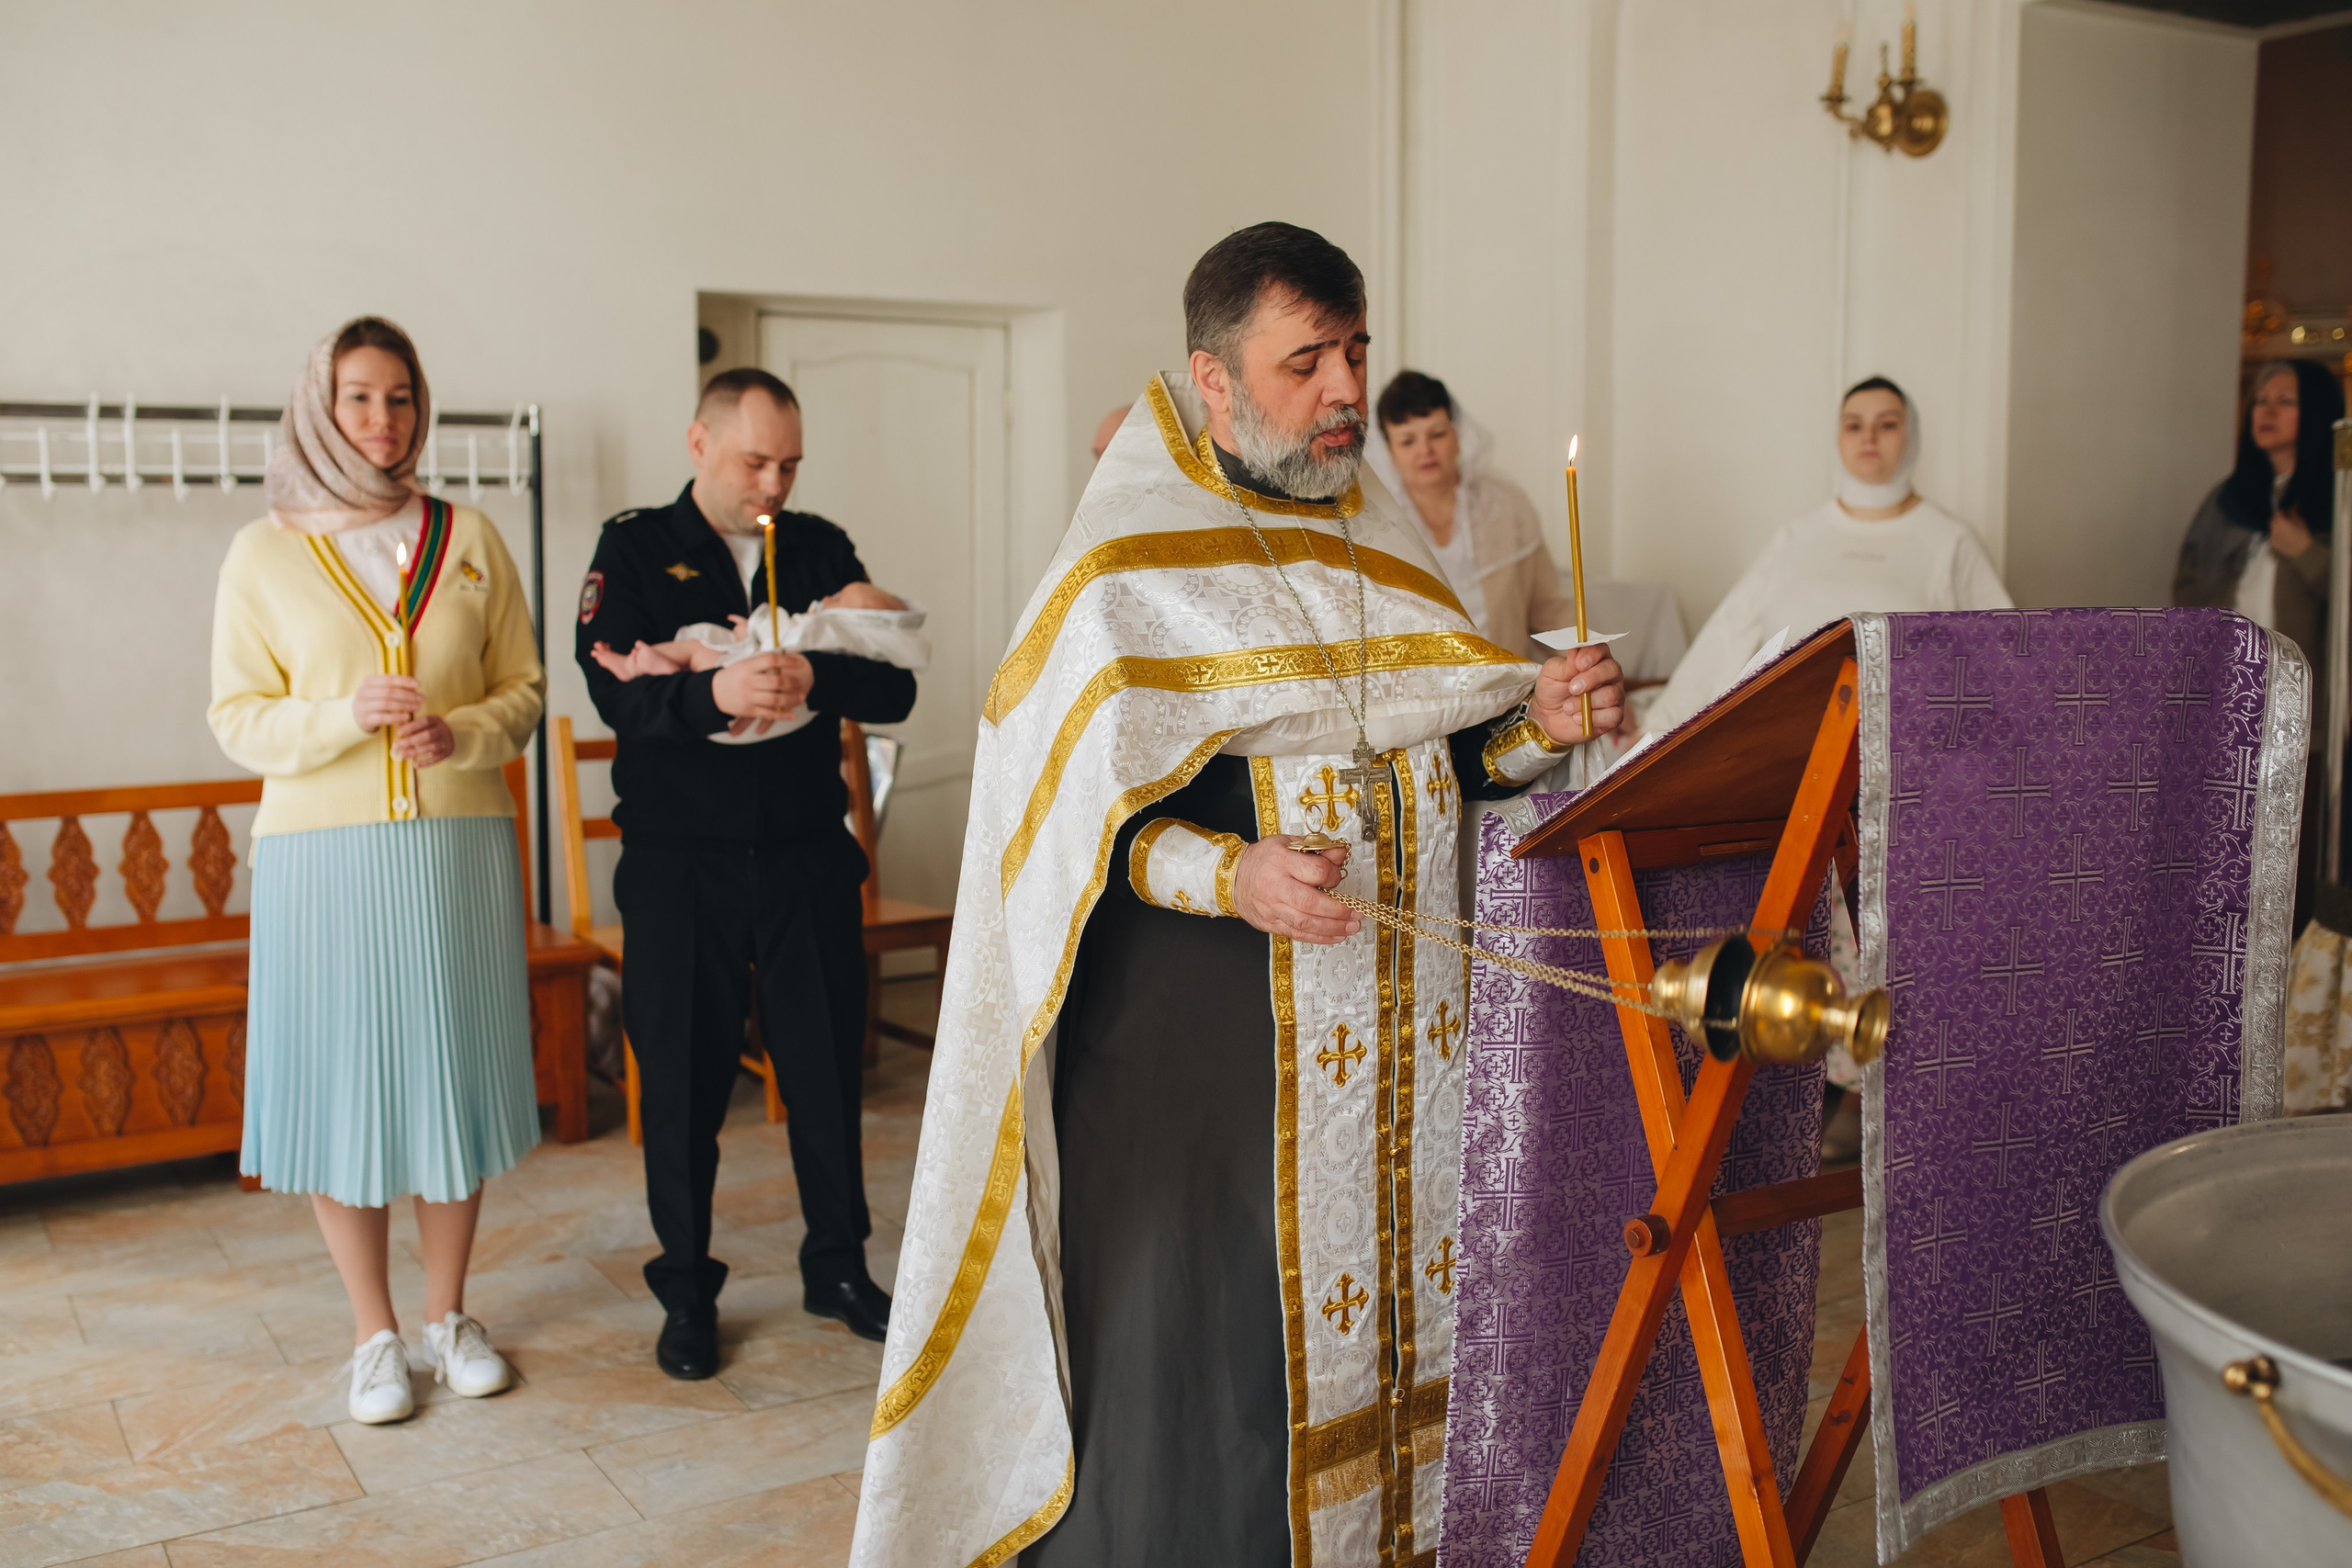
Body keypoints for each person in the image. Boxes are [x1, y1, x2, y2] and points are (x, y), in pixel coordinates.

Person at [849, 223, 1624, 1568]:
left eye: (1356, 352)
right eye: (1305, 361)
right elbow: (1064, 830)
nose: (1345, 390)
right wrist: (1231, 870)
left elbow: (1436, 756)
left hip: (1405, 1042)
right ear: (1211, 378)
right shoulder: (1118, 570)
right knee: (1217, 1362)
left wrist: (1537, 726)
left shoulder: (1379, 541)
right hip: (1205, 1052)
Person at [209, 317, 546, 1425]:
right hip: (320, 860)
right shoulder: (262, 552)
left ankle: (449, 1317)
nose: (382, 419)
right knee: (341, 1090)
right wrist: (340, 716)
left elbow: (524, 690)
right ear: (320, 405)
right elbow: (235, 716)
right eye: (358, 396)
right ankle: (374, 1335)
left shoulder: (469, 536)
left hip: (457, 848)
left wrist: (465, 734)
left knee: (452, 1079)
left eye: (399, 396)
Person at [575, 367, 915, 1380]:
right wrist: (712, 695)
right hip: (682, 863)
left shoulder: (817, 547)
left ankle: (838, 1267)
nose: (773, 483)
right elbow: (615, 695)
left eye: (790, 464)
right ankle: (685, 1287)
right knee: (682, 1085)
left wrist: (813, 671)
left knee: (825, 1071)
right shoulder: (635, 547)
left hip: (807, 852)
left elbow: (894, 680)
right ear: (699, 443)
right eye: (754, 461)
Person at [1642, 375, 2011, 739]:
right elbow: (1728, 632)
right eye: (1854, 426)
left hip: (1906, 741)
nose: (1869, 437)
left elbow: (2003, 653)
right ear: (1838, 438)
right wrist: (1657, 727)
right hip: (1786, 738)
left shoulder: (1951, 540)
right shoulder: (1796, 537)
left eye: (1887, 424)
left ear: (1911, 435)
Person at [2175, 358, 2349, 924]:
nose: (2265, 410)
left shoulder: (2340, 499)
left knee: (2289, 856)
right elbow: (2187, 584)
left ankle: (2288, 964)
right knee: (2224, 850)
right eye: (2260, 399)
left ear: (2316, 413)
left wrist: (2308, 554)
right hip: (2228, 703)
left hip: (2304, 712)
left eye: (2285, 400)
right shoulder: (2228, 500)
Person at [1367, 369, 1577, 658]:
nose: (1425, 450)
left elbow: (1550, 609)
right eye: (1407, 441)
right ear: (1388, 450)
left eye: (1437, 434)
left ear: (1457, 433)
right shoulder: (1375, 525)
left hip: (1506, 676)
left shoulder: (1505, 506)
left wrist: (1585, 660)